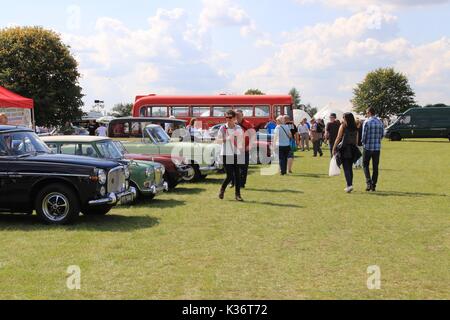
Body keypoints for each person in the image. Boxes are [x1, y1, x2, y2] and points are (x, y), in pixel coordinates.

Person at [217, 110, 245, 202]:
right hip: (225, 153)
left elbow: (242, 140)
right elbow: (218, 141)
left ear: (234, 118)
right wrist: (228, 138)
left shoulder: (238, 128)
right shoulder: (222, 128)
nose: (227, 119)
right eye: (226, 117)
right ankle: (222, 189)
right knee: (229, 176)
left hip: (236, 153)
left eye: (229, 117)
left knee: (237, 175)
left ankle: (238, 195)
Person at [333, 113, 360, 193]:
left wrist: (334, 147)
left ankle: (349, 185)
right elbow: (356, 140)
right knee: (350, 168)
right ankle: (350, 184)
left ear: (346, 118)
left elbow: (338, 138)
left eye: (343, 117)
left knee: (346, 168)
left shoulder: (343, 126)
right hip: (353, 148)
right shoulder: (355, 127)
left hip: (345, 148)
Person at [362, 107, 385, 192]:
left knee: (365, 165)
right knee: (375, 167)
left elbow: (363, 136)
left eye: (366, 113)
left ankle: (369, 183)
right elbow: (382, 135)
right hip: (377, 148)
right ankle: (374, 185)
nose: (366, 114)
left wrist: (363, 143)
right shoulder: (380, 122)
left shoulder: (367, 122)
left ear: (369, 113)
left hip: (367, 147)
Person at [236, 110, 255, 189]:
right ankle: (234, 182)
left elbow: (253, 135)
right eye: (236, 115)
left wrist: (250, 145)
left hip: (244, 149)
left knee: (244, 167)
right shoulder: (233, 124)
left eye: (239, 115)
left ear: (242, 115)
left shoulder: (247, 124)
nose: (238, 116)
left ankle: (242, 183)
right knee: (235, 167)